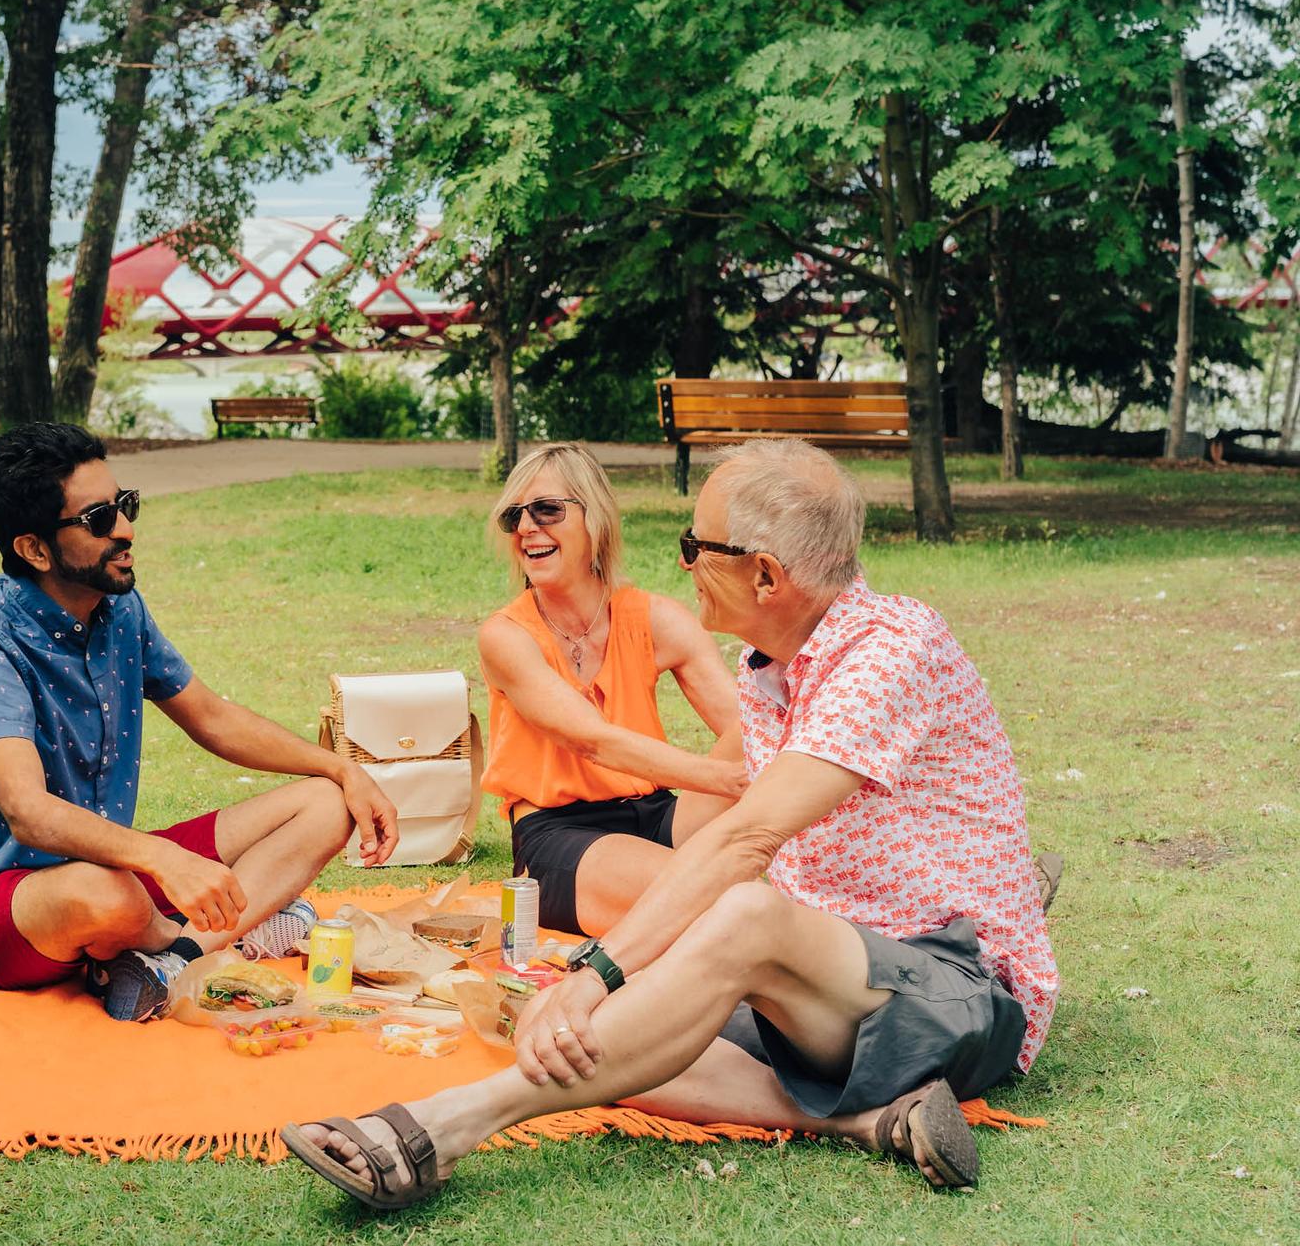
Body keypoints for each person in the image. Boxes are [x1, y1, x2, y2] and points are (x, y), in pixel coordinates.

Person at [282, 438, 1060, 1203]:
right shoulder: (773, 668)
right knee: (583, 1027)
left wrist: (596, 971)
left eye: (697, 544)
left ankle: (446, 1124)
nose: (683, 561)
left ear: (764, 575)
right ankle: (866, 1121)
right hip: (828, 987)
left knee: (733, 917)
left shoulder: (888, 650)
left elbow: (746, 835)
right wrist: (594, 981)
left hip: (957, 994)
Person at [0, 423, 399, 1022]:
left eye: (125, 506)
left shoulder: (119, 608)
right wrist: (165, 859)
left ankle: (170, 956)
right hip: (6, 904)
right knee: (108, 894)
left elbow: (213, 717)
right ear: (34, 549)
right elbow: (29, 812)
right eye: (99, 518)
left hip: (118, 867)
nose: (125, 530)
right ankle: (205, 938)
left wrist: (343, 768)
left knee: (326, 803)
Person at [479, 444, 750, 936]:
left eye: (547, 510)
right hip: (560, 832)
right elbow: (593, 741)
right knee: (713, 900)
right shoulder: (506, 637)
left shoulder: (655, 618)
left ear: (595, 518)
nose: (525, 528)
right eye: (514, 516)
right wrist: (725, 780)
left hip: (658, 813)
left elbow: (746, 727)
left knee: (763, 727)